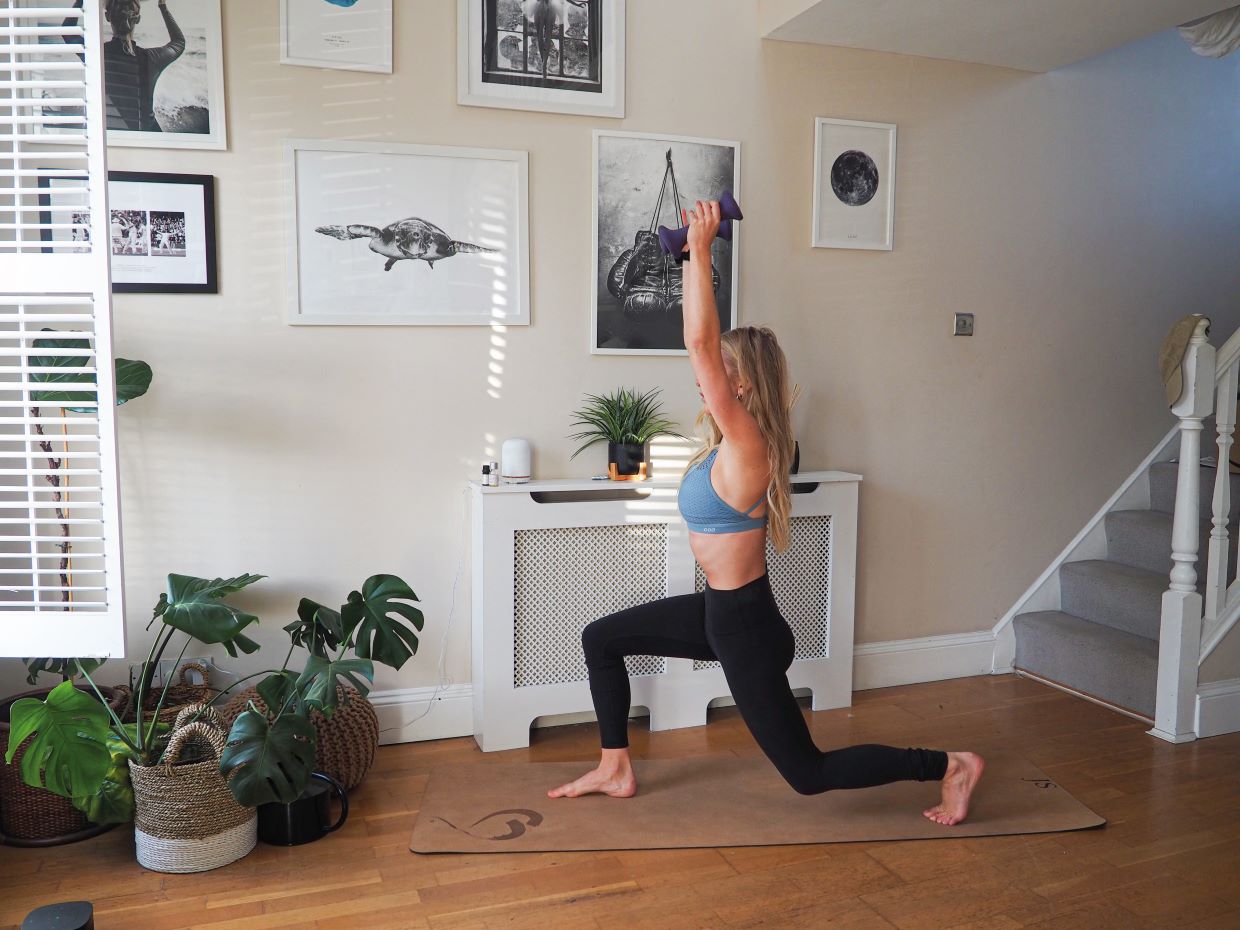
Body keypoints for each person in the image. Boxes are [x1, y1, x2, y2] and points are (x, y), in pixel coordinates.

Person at [549, 199, 986, 826]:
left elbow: (698, 342)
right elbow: (705, 355)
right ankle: (615, 765)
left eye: (718, 378)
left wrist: (699, 250)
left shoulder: (750, 443)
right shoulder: (727, 446)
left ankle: (950, 765)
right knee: (602, 638)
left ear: (742, 386)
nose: (704, 383)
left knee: (808, 775)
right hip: (722, 612)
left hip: (746, 630)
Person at [71, 0, 185, 132]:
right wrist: (162, 6)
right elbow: (179, 43)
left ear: (108, 17)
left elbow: (67, 31)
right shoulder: (151, 58)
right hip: (147, 139)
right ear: (138, 19)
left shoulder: (95, 53)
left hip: (108, 136)